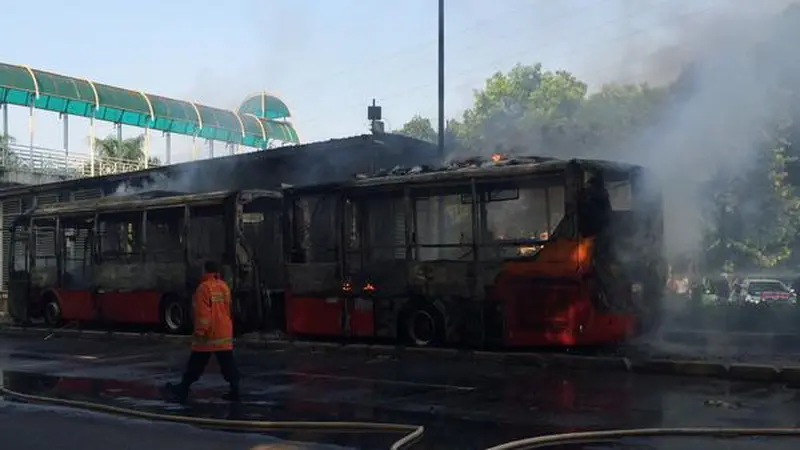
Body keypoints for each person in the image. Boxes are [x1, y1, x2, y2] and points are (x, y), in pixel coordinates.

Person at [164, 260, 240, 403]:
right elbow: (228, 308)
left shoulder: (203, 288)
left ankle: (183, 389)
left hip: (208, 334)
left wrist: (200, 332)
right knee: (228, 362)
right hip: (223, 331)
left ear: (205, 271)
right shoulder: (223, 286)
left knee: (196, 363)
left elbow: (203, 313)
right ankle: (235, 390)